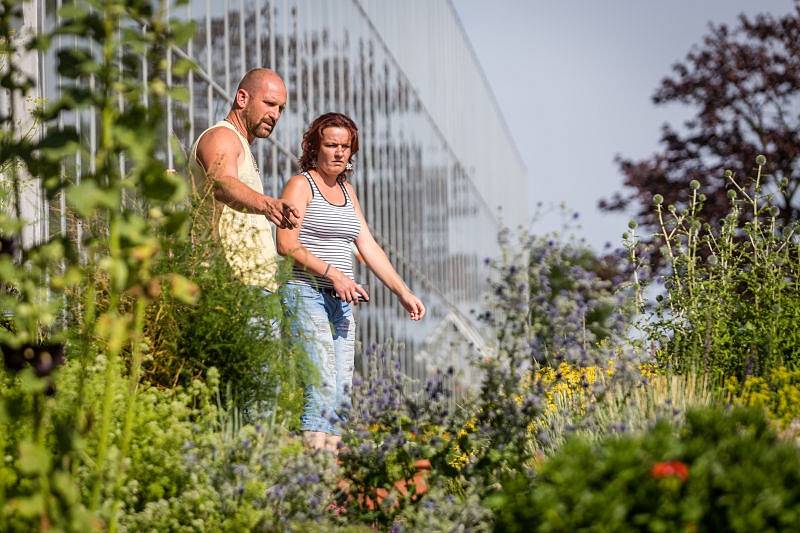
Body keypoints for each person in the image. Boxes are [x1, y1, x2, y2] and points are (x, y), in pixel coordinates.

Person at [277, 112, 426, 451]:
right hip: (306, 293)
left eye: (346, 147)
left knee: (341, 390)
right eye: (331, 145)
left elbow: (368, 245)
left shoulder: (347, 191)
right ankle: (311, 474)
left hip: (341, 302)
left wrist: (403, 292)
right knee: (322, 383)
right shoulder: (301, 185)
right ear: (315, 147)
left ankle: (327, 483)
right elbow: (286, 244)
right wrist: (332, 273)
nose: (339, 153)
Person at [189, 68, 300, 294]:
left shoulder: (240, 144)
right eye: (269, 103)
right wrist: (268, 205)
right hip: (231, 285)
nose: (275, 115)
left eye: (280, 108)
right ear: (242, 98)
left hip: (255, 286)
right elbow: (220, 183)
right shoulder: (221, 136)